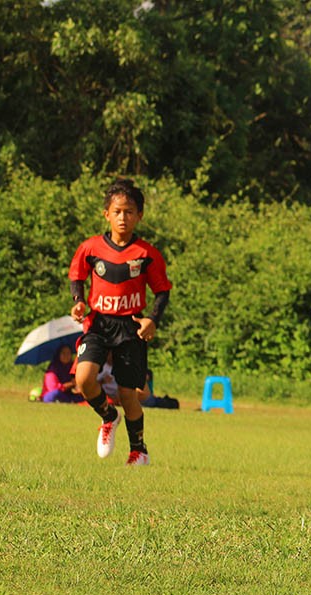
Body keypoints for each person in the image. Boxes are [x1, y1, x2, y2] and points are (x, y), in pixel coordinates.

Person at [68, 178, 172, 466]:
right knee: (84, 378)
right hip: (99, 324)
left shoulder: (147, 254)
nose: (123, 217)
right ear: (107, 215)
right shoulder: (90, 248)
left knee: (129, 394)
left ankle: (138, 450)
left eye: (129, 212)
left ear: (139, 215)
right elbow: (76, 275)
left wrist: (152, 319)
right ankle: (107, 416)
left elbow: (162, 291)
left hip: (130, 326)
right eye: (117, 212)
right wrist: (79, 302)